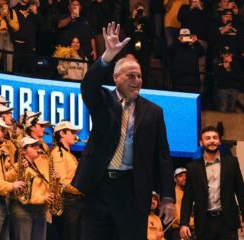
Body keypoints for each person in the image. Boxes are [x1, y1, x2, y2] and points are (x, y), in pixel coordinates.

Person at [71, 22, 175, 240]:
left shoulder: (154, 112)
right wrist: (107, 57)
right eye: (130, 76)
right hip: (99, 187)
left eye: (139, 76)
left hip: (133, 191)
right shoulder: (103, 100)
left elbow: (163, 158)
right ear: (116, 78)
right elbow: (87, 85)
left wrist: (167, 197)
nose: (137, 81)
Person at [180, 125, 244, 240]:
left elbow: (241, 192)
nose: (212, 141)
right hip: (204, 223)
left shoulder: (231, 162)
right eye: (207, 138)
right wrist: (184, 223)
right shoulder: (193, 167)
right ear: (201, 142)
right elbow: (188, 198)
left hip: (228, 222)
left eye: (215, 137)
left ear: (219, 141)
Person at [6, 136, 55, 240]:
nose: (37, 148)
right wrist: (18, 169)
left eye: (38, 145)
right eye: (33, 146)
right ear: (23, 150)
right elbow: (6, 178)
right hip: (23, 210)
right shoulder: (17, 166)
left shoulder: (39, 167)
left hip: (40, 210)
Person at [51, 121, 83, 240]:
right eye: (72, 132)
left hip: (74, 202)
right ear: (62, 133)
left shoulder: (68, 154)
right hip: (67, 202)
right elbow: (62, 181)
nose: (75, 135)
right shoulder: (58, 154)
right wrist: (82, 189)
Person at [170, 28, 204, 92]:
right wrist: (179, 42)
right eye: (183, 36)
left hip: (193, 81)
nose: (185, 38)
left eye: (187, 36)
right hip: (178, 80)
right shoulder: (175, 47)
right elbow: (169, 51)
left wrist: (196, 42)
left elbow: (201, 52)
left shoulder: (194, 47)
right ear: (179, 37)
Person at [214, 46, 243, 112]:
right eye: (225, 54)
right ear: (222, 55)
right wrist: (224, 68)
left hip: (234, 88)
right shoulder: (218, 64)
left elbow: (239, 75)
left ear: (231, 55)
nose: (226, 56)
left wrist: (231, 65)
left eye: (228, 54)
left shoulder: (235, 64)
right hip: (222, 88)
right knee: (223, 106)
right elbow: (218, 75)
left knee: (232, 107)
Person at [167, 167, 187, 240]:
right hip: (179, 231)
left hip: (191, 229)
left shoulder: (189, 193)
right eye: (180, 176)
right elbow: (178, 217)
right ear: (175, 179)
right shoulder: (173, 193)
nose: (184, 178)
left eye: (186, 176)